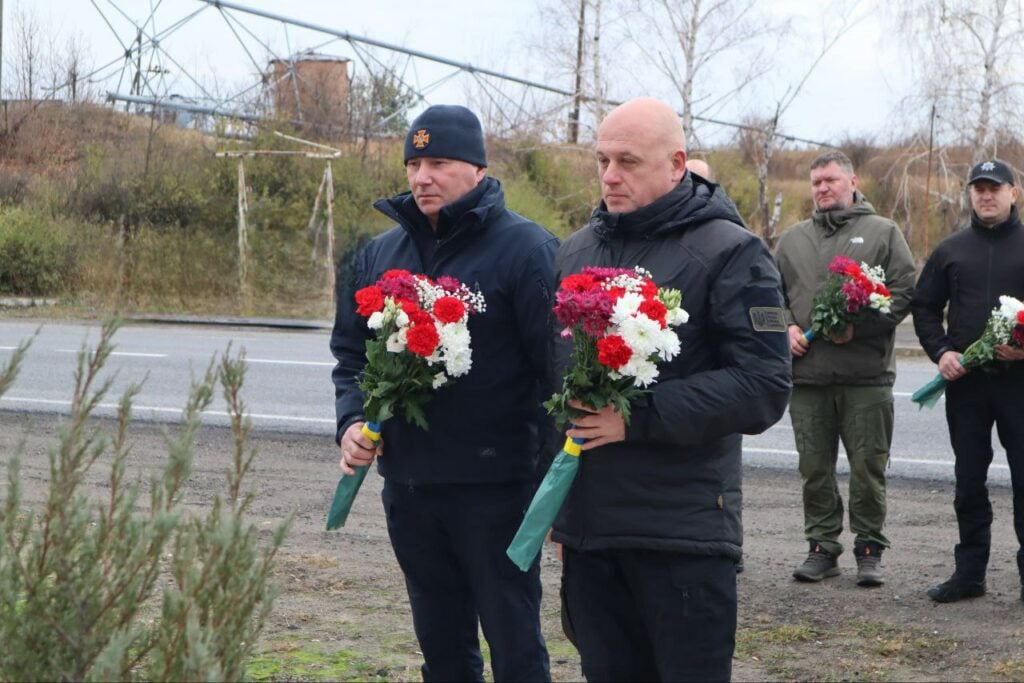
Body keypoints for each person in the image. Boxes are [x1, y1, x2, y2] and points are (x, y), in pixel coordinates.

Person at [550, 97, 792, 682]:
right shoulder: (575, 251)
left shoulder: (731, 251)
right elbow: (554, 384)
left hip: (681, 534)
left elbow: (763, 383)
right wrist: (558, 511)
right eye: (602, 160)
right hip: (592, 534)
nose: (610, 176)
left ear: (676, 163)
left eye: (627, 161)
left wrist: (637, 416)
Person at [329, 104, 556, 682]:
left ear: (477, 169)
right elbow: (353, 355)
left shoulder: (527, 250)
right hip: (410, 489)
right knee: (442, 650)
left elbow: (555, 374)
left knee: (515, 646)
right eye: (413, 162)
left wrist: (552, 492)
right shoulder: (382, 255)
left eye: (438, 162)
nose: (421, 176)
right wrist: (352, 422)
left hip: (497, 491)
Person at [774, 151, 916, 587]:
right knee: (814, 469)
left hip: (865, 377)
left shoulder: (882, 232)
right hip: (809, 378)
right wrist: (786, 328)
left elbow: (905, 290)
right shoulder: (792, 240)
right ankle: (822, 548)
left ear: (852, 181)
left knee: (867, 469)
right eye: (816, 182)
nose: (822, 189)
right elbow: (766, 297)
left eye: (831, 180)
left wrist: (858, 330)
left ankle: (869, 549)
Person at [912, 159, 1024, 603]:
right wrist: (942, 352)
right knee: (969, 481)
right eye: (978, 188)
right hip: (968, 386)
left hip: (1020, 385)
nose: (986, 195)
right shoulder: (951, 250)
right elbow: (923, 307)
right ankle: (969, 574)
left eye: (994, 187)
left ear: (1013, 193)